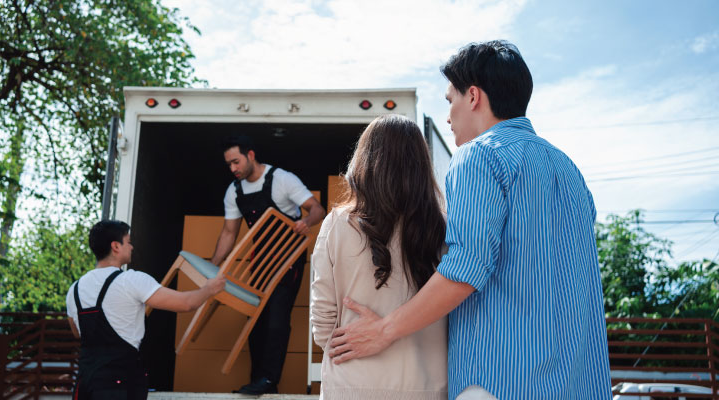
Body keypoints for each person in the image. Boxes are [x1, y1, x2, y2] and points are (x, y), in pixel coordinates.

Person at [327, 40, 612, 399]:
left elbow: (467, 266)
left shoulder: (479, 156)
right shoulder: (568, 168)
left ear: (473, 96)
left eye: (450, 101)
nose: (448, 117)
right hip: (577, 383)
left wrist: (385, 330)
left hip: (499, 382)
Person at [310, 114, 448, 399]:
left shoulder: (337, 224)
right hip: (426, 387)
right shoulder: (446, 228)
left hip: (352, 384)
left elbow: (323, 327)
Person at [212, 135, 326, 395]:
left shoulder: (282, 179)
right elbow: (229, 233)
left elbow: (317, 209)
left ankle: (269, 380)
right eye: (228, 165)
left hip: (288, 258)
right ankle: (258, 382)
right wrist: (213, 268)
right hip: (259, 259)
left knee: (276, 319)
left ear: (250, 155)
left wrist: (306, 223)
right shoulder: (235, 191)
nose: (233, 169)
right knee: (255, 319)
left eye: (236, 162)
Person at [66, 220, 225, 400]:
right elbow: (185, 303)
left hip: (85, 384)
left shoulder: (75, 290)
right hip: (117, 385)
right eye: (129, 242)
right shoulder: (131, 280)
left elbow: (78, 333)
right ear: (116, 246)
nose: (132, 247)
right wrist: (209, 289)